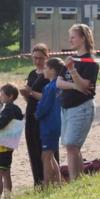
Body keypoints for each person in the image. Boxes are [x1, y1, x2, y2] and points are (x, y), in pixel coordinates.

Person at [57, 24, 99, 181]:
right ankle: (78, 180)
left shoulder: (90, 62)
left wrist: (72, 71)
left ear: (83, 38)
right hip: (66, 108)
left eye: (73, 36)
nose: (70, 40)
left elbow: (84, 87)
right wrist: (74, 84)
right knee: (70, 146)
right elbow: (59, 83)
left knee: (72, 145)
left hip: (81, 107)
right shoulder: (71, 58)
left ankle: (76, 181)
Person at [20, 43, 51, 186]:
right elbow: (30, 99)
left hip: (45, 115)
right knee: (33, 148)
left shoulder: (49, 74)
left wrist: (31, 92)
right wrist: (26, 94)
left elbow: (48, 97)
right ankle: (37, 181)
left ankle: (48, 180)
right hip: (31, 113)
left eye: (40, 58)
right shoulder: (32, 74)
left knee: (45, 149)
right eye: (35, 58)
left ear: (47, 57)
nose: (37, 61)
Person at [36, 57, 64, 185]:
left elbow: (44, 106)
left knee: (46, 156)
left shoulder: (49, 87)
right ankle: (57, 182)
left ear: (52, 70)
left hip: (49, 125)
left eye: (46, 68)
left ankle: (47, 184)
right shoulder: (59, 85)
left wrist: (36, 114)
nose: (44, 71)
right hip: (56, 123)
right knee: (50, 155)